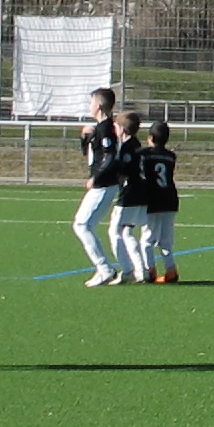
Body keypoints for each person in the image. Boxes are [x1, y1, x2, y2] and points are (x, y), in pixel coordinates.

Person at [74, 87, 123, 286]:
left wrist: (96, 177)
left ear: (99, 105)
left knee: (82, 225)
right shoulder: (100, 128)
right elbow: (90, 155)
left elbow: (110, 156)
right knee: (85, 225)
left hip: (104, 185)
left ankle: (104, 269)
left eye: (91, 102)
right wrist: (85, 138)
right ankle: (105, 268)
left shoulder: (106, 128)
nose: (89, 105)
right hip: (103, 184)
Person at [110, 111, 149, 284]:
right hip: (141, 193)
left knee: (114, 231)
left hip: (130, 194)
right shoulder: (136, 144)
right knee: (127, 232)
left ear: (122, 129)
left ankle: (126, 270)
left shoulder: (127, 147)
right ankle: (141, 271)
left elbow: (122, 169)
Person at [139, 121, 180, 284]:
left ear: (150, 137)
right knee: (166, 240)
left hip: (153, 199)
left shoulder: (144, 154)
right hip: (170, 198)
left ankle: (150, 270)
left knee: (147, 239)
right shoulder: (170, 156)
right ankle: (171, 270)